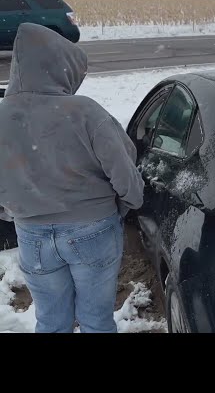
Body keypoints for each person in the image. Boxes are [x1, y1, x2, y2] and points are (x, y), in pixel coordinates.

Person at [0, 23, 144, 333]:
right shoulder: (85, 112)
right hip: (93, 230)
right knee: (95, 320)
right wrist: (128, 202)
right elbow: (123, 169)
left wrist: (12, 209)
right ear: (58, 67)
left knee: (51, 320)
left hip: (31, 234)